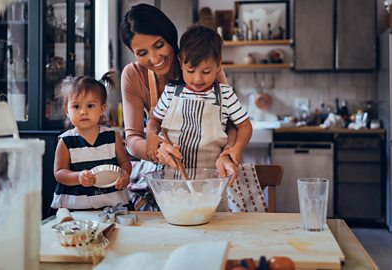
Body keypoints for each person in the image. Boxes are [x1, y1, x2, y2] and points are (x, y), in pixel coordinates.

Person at [119, 4, 239, 181]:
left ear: (169, 36)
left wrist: (228, 154)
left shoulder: (200, 63)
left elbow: (231, 123)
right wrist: (156, 149)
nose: (154, 58)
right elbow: (132, 139)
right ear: (132, 52)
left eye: (159, 45)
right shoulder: (133, 75)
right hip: (167, 173)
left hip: (211, 172)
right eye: (142, 53)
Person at [146, 25, 253, 185]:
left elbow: (245, 125)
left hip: (213, 182)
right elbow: (154, 121)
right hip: (173, 182)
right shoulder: (171, 93)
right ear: (180, 63)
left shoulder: (225, 94)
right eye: (190, 71)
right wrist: (151, 136)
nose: (197, 79)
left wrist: (237, 148)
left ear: (218, 66)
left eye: (206, 72)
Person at [51, 71, 132, 212]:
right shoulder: (66, 141)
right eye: (76, 106)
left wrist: (125, 175)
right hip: (76, 206)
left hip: (112, 203)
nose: (83, 111)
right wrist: (78, 177)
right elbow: (59, 173)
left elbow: (125, 163)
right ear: (67, 111)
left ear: (102, 109)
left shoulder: (112, 136)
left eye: (90, 106)